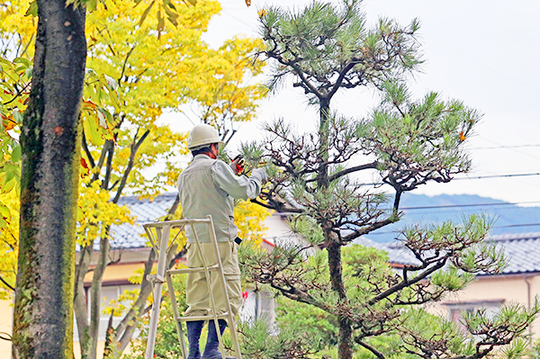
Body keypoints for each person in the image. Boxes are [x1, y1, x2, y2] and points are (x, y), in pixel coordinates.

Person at [177, 123, 267, 359]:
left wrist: (229, 171)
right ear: (213, 147)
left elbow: (210, 192)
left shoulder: (184, 175)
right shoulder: (216, 167)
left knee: (197, 298)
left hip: (195, 243)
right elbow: (244, 191)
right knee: (228, 297)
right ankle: (211, 350)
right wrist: (258, 175)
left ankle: (193, 351)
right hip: (220, 242)